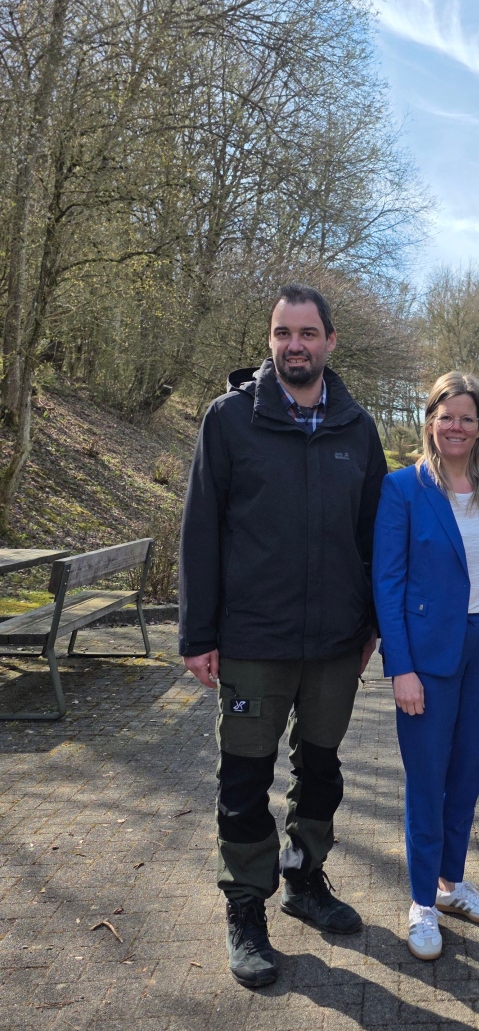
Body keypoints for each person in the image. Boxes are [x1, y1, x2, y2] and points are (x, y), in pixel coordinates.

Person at [179, 283, 386, 989]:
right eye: (282, 333)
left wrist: (373, 623)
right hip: (251, 641)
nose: (294, 345)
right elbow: (200, 530)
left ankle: (305, 879)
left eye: (307, 333)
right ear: (270, 340)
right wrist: (197, 634)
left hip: (334, 644)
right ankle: (245, 907)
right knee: (244, 779)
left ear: (330, 341)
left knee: (320, 770)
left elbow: (374, 536)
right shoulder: (229, 420)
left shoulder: (357, 428)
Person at [373, 373, 479, 961]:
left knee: (465, 776)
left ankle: (450, 884)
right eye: (446, 417)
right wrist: (401, 668)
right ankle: (421, 903)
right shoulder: (403, 489)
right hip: (427, 658)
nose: (456, 427)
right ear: (430, 423)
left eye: (467, 417)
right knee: (427, 780)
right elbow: (387, 583)